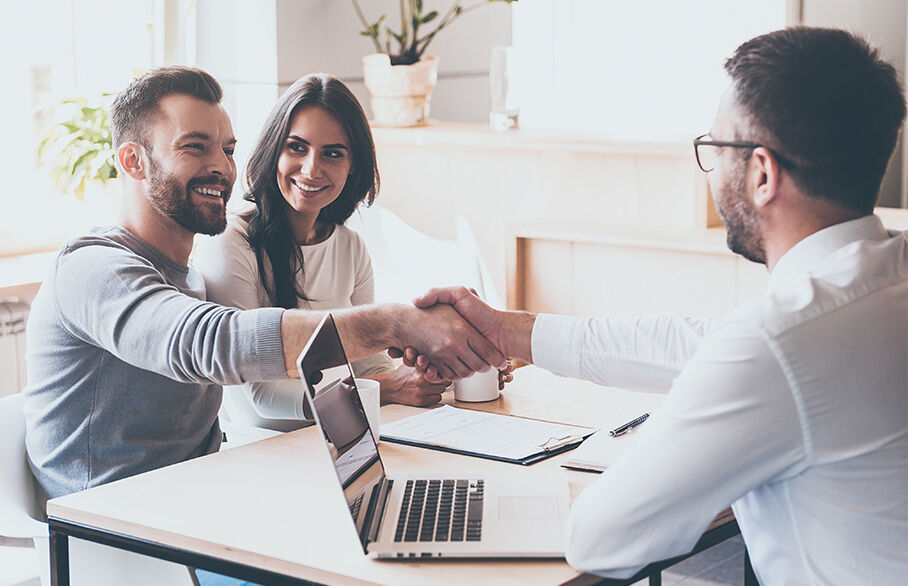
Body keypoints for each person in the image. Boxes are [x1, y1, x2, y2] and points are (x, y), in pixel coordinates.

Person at [405, 27, 908, 583]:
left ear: (762, 174)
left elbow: (599, 540)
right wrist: (505, 331)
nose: (712, 167)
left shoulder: (781, 343)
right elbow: (697, 344)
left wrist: (679, 429)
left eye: (716, 148)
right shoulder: (880, 280)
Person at [22, 65, 505, 506]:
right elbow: (211, 343)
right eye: (195, 147)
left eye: (227, 149)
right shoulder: (93, 268)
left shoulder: (189, 274)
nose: (222, 167)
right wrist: (398, 323)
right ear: (132, 161)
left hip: (207, 496)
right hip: (122, 528)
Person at [192, 73, 451, 430]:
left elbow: (370, 366)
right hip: (263, 455)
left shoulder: (350, 247)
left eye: (332, 154)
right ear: (273, 149)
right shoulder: (230, 242)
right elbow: (262, 396)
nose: (312, 169)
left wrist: (423, 375)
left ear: (352, 167)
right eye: (296, 147)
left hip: (342, 443)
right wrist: (383, 389)